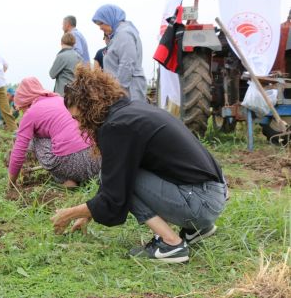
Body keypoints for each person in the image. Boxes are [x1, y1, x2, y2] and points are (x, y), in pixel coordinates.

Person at [51, 65, 227, 263]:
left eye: (78, 117)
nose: (79, 125)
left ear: (89, 106)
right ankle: (196, 230)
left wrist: (69, 213)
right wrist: (88, 215)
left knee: (127, 181)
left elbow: (114, 195)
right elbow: (114, 176)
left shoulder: (116, 126)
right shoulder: (131, 112)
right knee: (121, 176)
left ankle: (171, 244)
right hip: (213, 194)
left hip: (201, 202)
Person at [8, 77, 100, 188]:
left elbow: (19, 150)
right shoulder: (60, 99)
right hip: (96, 159)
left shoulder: (31, 113)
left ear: (26, 102)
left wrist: (11, 182)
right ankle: (67, 179)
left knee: (36, 138)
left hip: (72, 164)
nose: (23, 112)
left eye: (22, 109)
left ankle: (66, 179)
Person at [92, 4, 147, 101]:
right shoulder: (118, 34)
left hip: (128, 93)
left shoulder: (124, 34)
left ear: (109, 18)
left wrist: (117, 90)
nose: (100, 28)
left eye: (101, 23)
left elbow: (127, 64)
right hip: (122, 92)